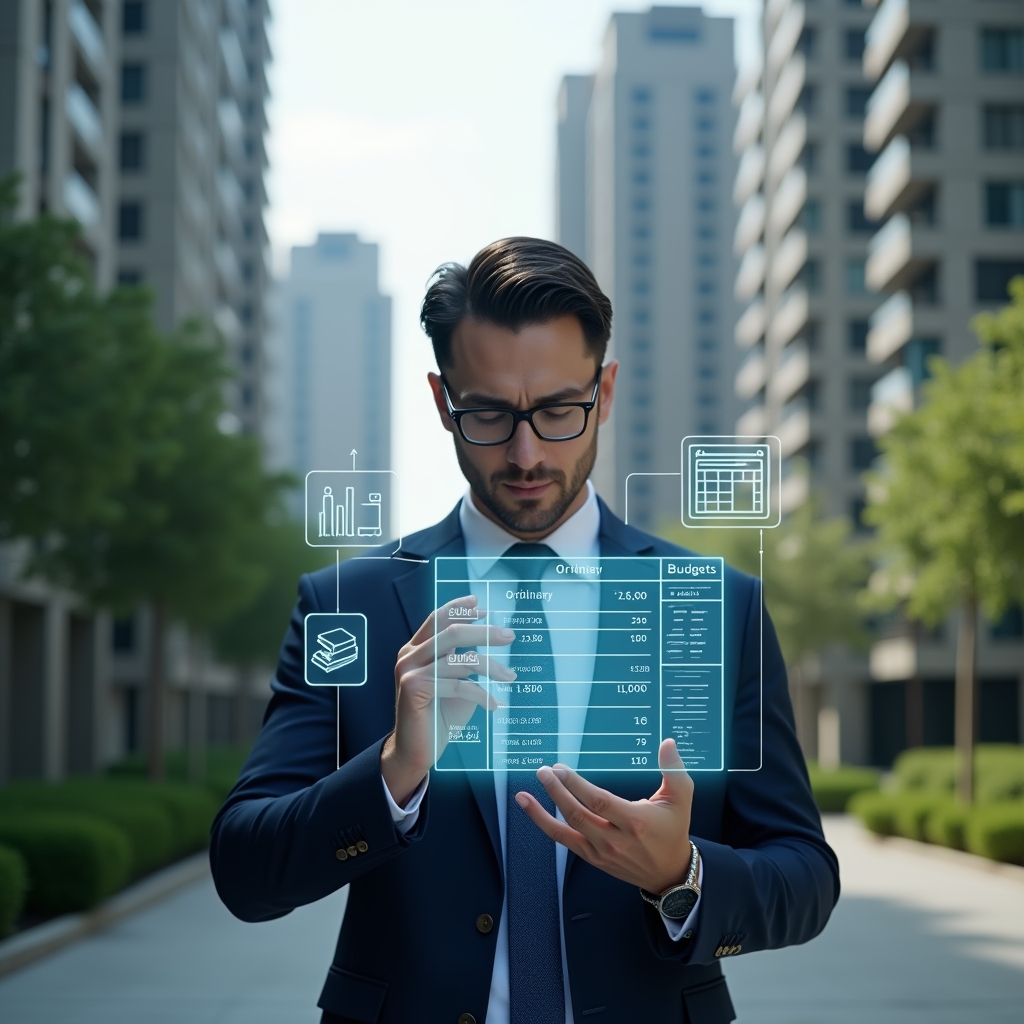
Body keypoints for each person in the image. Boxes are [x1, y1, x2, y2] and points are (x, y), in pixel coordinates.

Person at [210, 237, 839, 1024]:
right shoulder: (351, 605)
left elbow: (806, 879)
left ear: (604, 392)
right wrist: (397, 768)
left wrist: (680, 872)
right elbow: (246, 871)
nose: (526, 452)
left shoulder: (713, 608)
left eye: (557, 411)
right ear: (444, 403)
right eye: (488, 414)